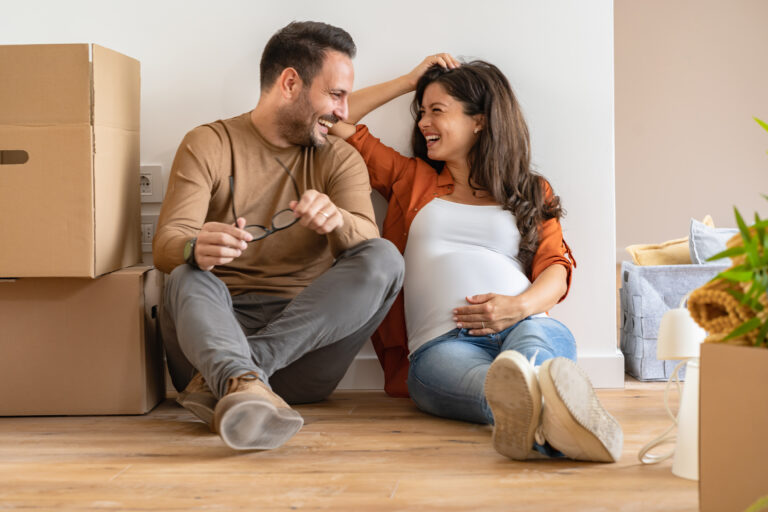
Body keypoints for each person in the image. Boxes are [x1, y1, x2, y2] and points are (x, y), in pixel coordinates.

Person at [328, 54, 623, 462]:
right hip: (441, 346)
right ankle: (563, 424)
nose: (422, 123)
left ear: (478, 121)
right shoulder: (410, 177)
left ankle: (544, 425)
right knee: (502, 390)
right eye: (421, 112)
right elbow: (327, 120)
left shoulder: (532, 189)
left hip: (526, 324)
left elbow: (555, 269)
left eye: (437, 111)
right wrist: (410, 80)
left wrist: (517, 307)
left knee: (526, 371)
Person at [153, 21, 404, 451]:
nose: (344, 112)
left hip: (301, 351)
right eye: (336, 94)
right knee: (185, 275)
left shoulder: (339, 157)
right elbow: (165, 244)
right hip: (213, 334)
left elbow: (369, 242)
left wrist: (336, 220)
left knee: (383, 257)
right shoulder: (208, 143)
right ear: (291, 83)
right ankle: (239, 379)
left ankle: (240, 378)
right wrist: (196, 247)